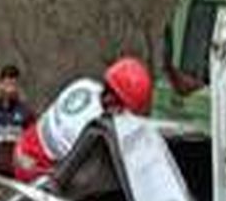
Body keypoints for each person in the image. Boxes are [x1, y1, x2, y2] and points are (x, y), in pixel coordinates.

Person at [13, 56, 153, 183]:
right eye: (118, 103)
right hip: (35, 166)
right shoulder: (89, 127)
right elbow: (84, 175)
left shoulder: (85, 85)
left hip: (26, 144)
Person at [0, 63, 35, 178]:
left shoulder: (26, 112)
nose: (9, 89)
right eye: (6, 84)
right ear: (0, 85)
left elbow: (32, 142)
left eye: (13, 85)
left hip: (16, 171)